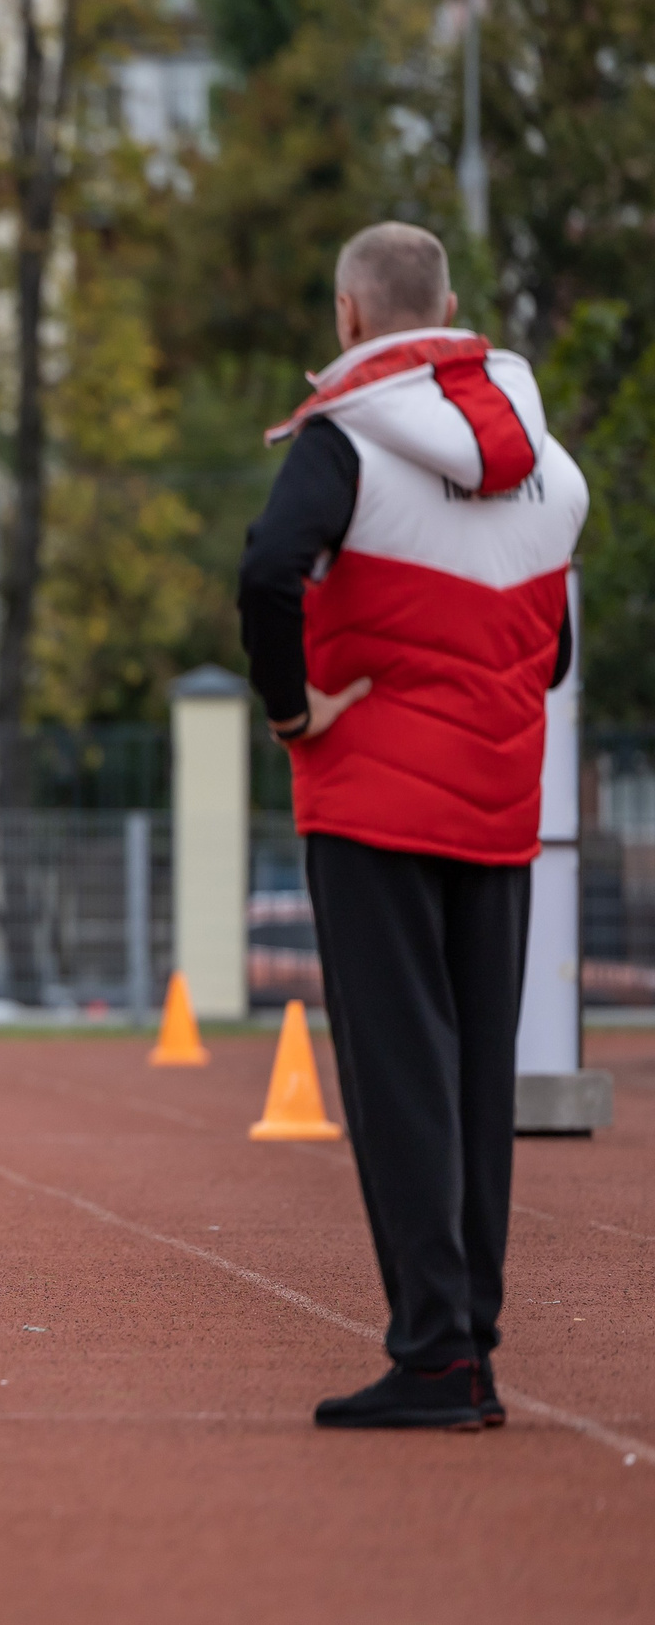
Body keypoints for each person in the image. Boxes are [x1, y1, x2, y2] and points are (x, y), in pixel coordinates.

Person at [237, 222, 586, 1431]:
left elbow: (267, 571)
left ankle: (432, 1354)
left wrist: (295, 709)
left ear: (349, 316)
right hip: (500, 809)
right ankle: (469, 1350)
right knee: (479, 1077)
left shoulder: (343, 441)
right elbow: (554, 649)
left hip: (373, 797)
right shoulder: (551, 464)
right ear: (450, 305)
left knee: (400, 1079)